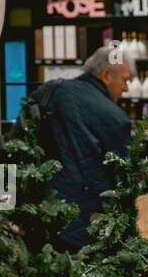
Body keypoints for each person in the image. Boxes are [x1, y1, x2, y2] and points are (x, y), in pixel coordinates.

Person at [30, 44, 133, 249]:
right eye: (125, 79)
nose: (126, 88)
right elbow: (124, 177)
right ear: (106, 75)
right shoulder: (114, 117)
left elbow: (17, 147)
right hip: (87, 227)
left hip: (38, 216)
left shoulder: (47, 92)